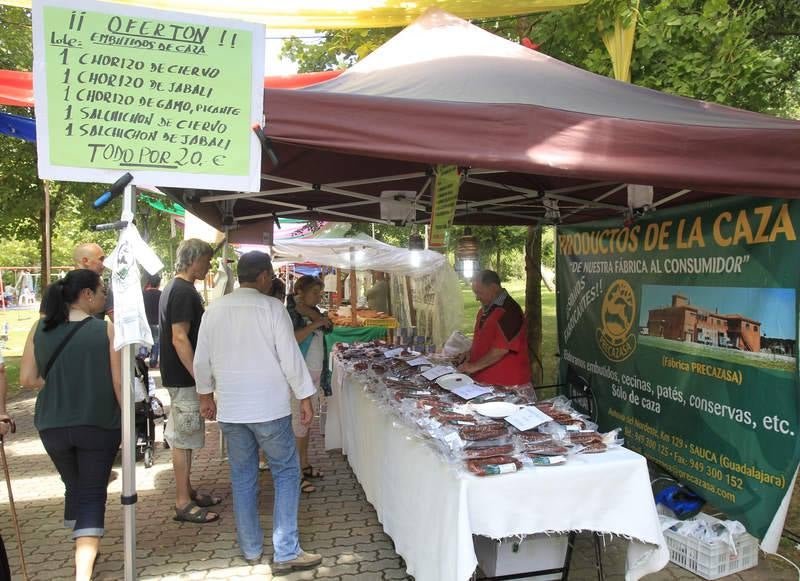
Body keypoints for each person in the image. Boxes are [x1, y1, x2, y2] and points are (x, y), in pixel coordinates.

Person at [193, 251, 322, 572]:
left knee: (243, 476)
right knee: (287, 472)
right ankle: (286, 550)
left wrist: (205, 395)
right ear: (264, 276)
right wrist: (305, 396)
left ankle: (251, 548)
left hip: (233, 408)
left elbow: (201, 358)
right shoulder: (272, 309)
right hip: (269, 407)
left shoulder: (214, 310)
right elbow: (290, 357)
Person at [19, 270, 121, 581]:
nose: (105, 297)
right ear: (87, 295)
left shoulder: (40, 327)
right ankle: (83, 571)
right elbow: (119, 382)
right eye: (102, 291)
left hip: (51, 425)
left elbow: (26, 379)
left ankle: (83, 544)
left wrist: (58, 383)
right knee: (91, 493)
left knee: (74, 486)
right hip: (98, 422)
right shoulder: (106, 331)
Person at [159, 238, 220, 524]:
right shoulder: (183, 291)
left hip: (179, 376)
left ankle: (188, 490)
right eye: (207, 260)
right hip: (184, 378)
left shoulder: (175, 287)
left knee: (185, 436)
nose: (209, 265)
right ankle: (182, 501)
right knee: (183, 439)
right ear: (193, 259)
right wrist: (201, 380)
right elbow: (179, 336)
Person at [287, 276, 332, 493]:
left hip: (313, 375)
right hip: (298, 376)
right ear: (300, 291)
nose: (319, 297)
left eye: (320, 293)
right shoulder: (290, 312)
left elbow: (329, 327)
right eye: (315, 292)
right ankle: (295, 473)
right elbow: (292, 339)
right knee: (298, 423)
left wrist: (313, 314)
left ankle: (304, 464)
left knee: (305, 423)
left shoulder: (311, 310)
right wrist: (314, 322)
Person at [457, 270, 532, 387]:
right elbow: (484, 339)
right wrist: (470, 353)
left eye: (479, 292)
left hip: (507, 385)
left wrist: (474, 366)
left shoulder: (510, 311)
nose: (477, 298)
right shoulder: (485, 309)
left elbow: (500, 350)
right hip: (484, 382)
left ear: (493, 288)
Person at [39, 243, 113, 320]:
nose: (104, 264)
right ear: (85, 261)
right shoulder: (54, 289)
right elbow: (43, 324)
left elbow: (119, 323)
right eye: (101, 259)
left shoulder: (104, 289)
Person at [142, 273, 162, 368]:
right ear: (158, 283)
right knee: (156, 342)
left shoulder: (143, 294)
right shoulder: (161, 294)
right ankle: (153, 361)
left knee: (145, 340)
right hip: (157, 322)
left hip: (146, 322)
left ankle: (142, 355)